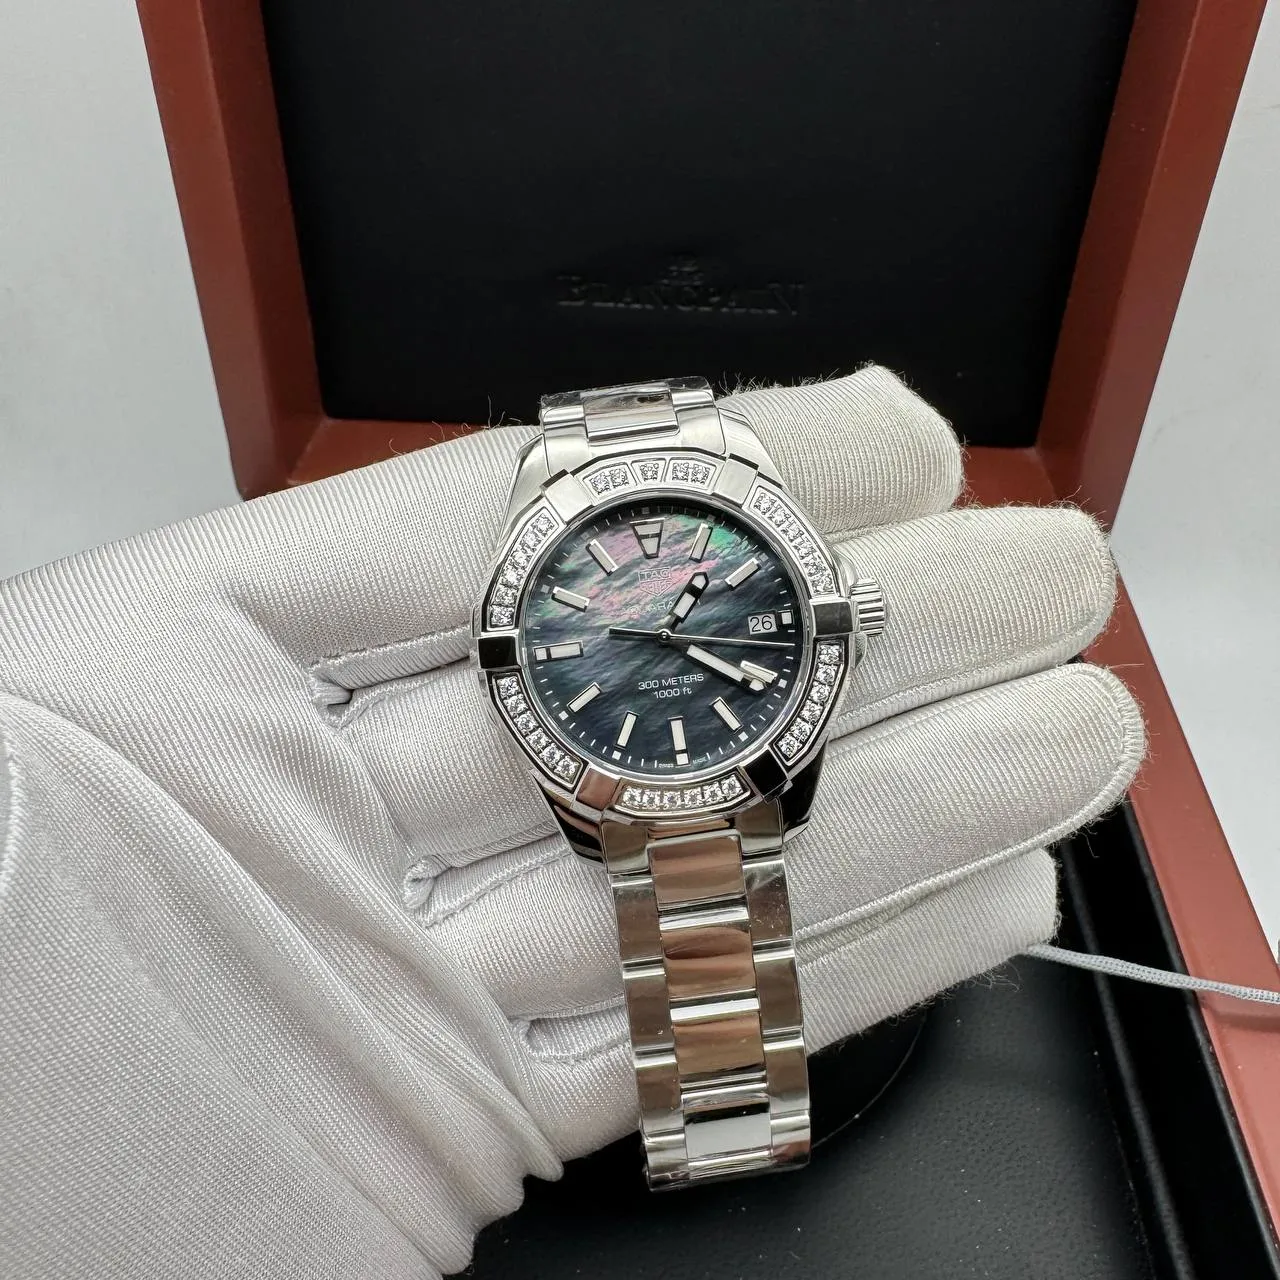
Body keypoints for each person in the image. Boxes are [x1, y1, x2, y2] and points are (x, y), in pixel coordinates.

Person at [0, 368, 1142, 1277]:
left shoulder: (764, 639)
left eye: (686, 616)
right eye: (642, 627)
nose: (664, 636)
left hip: (714, 757)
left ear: (837, 616)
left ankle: (727, 1113)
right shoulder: (531, 654)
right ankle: (726, 1113)